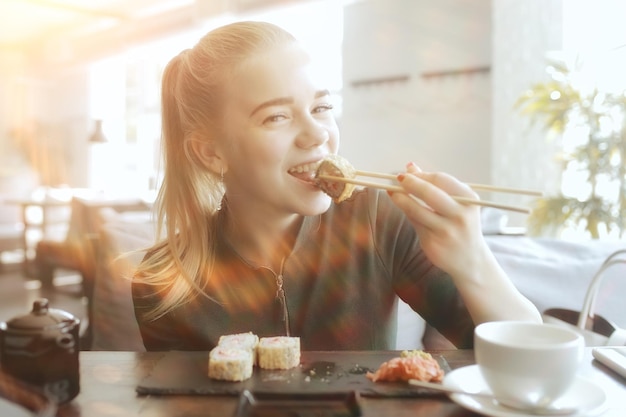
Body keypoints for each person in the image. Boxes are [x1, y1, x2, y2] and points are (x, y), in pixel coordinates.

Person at [132, 20, 540, 351]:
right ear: (210, 153)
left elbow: (530, 362)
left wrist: (473, 259)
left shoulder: (381, 221)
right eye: (276, 117)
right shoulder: (163, 281)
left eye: (322, 108)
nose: (317, 134)